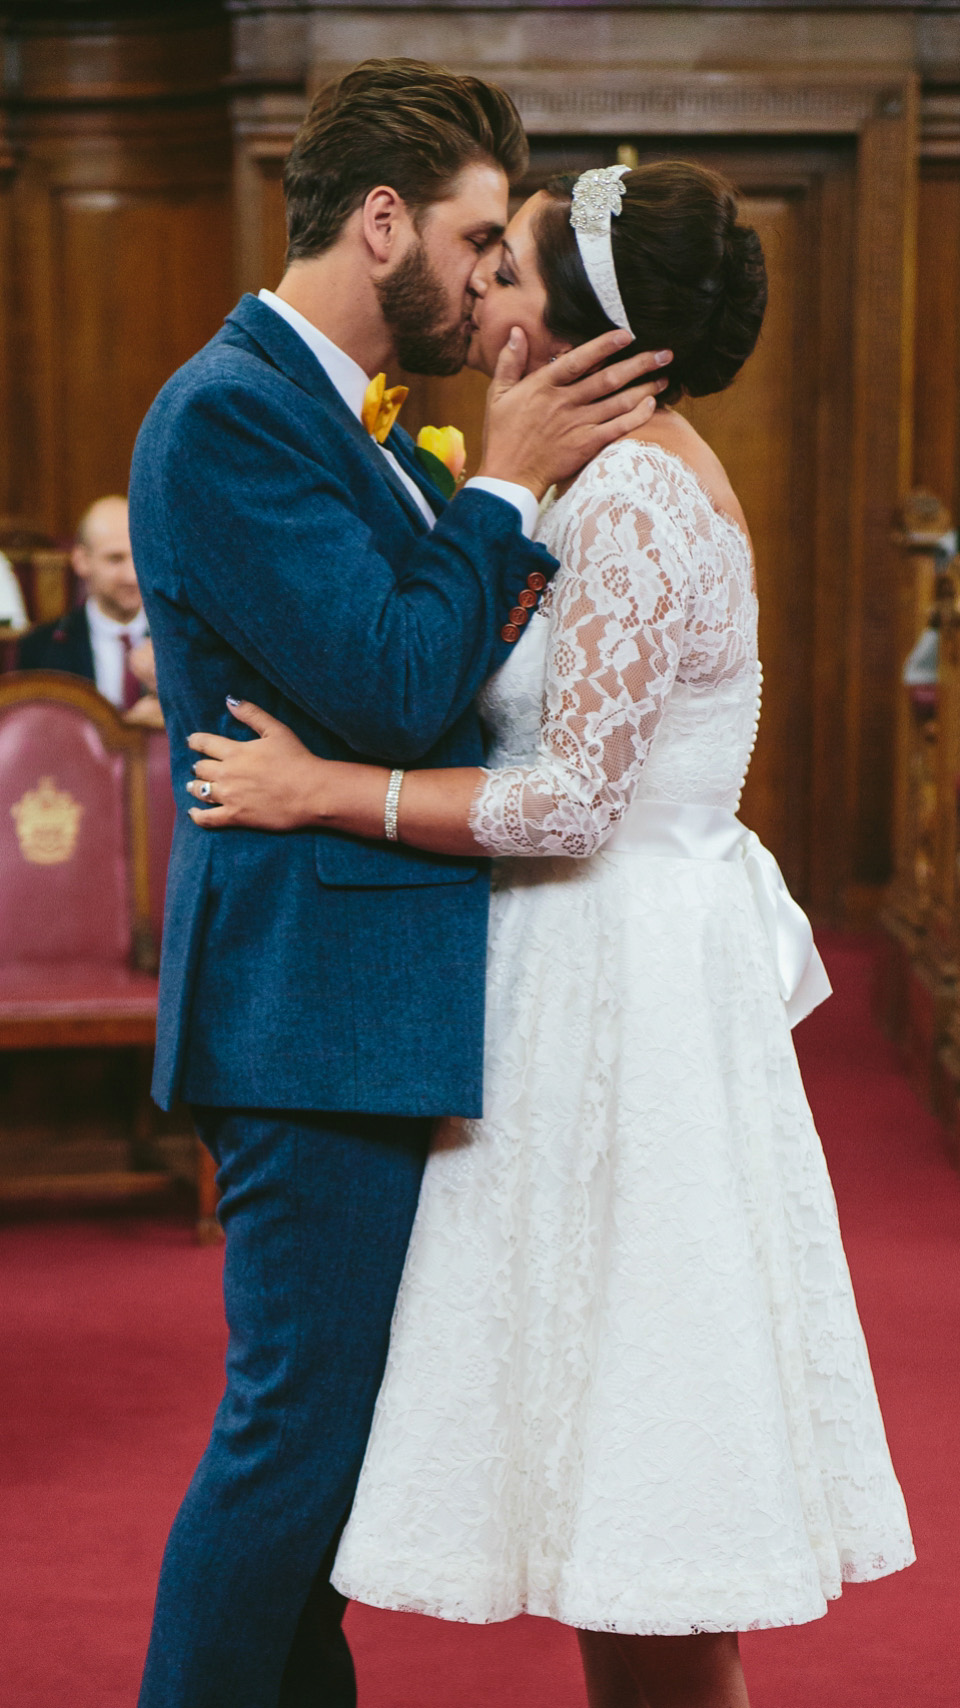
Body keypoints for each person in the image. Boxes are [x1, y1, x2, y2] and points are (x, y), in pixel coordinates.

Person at [186, 162, 915, 1708]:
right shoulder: (613, 479)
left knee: (651, 1466)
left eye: (509, 273)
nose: (484, 303)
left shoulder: (642, 490)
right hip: (600, 977)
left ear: (595, 330)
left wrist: (330, 788)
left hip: (628, 999)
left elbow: (578, 801)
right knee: (615, 1483)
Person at [128, 58, 667, 1708]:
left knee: (324, 1461)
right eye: (479, 236)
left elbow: (433, 652)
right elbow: (392, 678)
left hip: (354, 1010)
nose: (497, 273)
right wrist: (498, 483)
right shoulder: (228, 411)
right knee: (292, 1441)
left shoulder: (338, 429)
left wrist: (482, 492)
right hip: (306, 1013)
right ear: (383, 223)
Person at [17, 495, 161, 720]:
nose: (132, 576)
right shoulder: (39, 648)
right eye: (115, 559)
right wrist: (128, 726)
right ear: (82, 560)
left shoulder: (182, 642)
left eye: (140, 556)